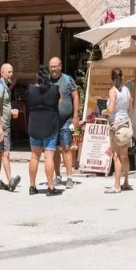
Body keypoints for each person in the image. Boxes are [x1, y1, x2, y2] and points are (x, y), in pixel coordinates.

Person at [25, 65, 63, 195]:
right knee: (48, 157)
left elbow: (28, 103)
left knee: (34, 156)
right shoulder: (54, 89)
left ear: (37, 76)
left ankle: (32, 186)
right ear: (48, 76)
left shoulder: (30, 89)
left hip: (34, 124)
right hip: (50, 124)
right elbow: (59, 104)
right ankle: (50, 187)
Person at [49, 56, 80, 188]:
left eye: (55, 66)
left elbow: (75, 96)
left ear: (60, 66)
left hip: (66, 120)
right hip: (51, 121)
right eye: (51, 67)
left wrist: (75, 116)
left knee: (66, 148)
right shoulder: (47, 81)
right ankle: (57, 176)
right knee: (55, 149)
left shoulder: (68, 80)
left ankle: (69, 177)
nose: (53, 69)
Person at [105, 67, 133, 193]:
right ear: (122, 77)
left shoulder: (113, 91)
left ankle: (117, 185)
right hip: (126, 123)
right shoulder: (127, 90)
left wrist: (103, 111)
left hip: (116, 124)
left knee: (116, 156)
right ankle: (126, 182)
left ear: (111, 78)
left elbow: (110, 109)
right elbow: (130, 108)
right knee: (125, 155)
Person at [0, 62, 15, 192]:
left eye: (12, 71)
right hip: (1, 126)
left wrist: (10, 112)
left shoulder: (4, 87)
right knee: (5, 153)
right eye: (9, 72)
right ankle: (11, 180)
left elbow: (2, 107)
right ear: (2, 73)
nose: (11, 74)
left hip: (4, 124)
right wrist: (0, 128)